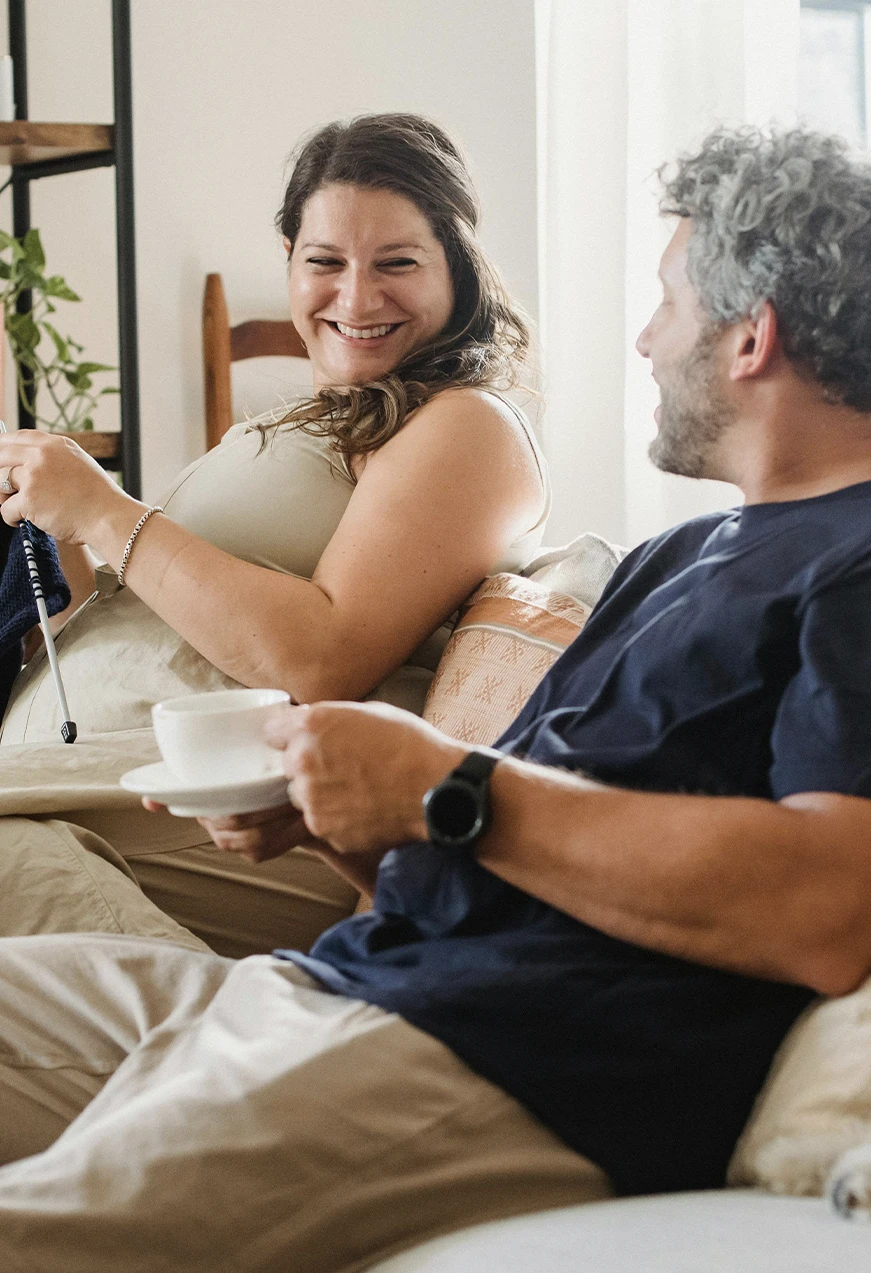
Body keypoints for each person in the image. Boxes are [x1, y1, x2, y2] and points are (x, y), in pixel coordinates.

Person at [0, 124, 871, 1273]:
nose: (646, 339)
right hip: (336, 981)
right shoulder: (685, 553)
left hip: (504, 1053)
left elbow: (828, 906)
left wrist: (445, 785)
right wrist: (347, 821)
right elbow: (490, 850)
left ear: (749, 334)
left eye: (667, 301)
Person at [0, 112, 548, 957]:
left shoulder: (466, 425)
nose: (356, 298)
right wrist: (60, 519)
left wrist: (108, 510)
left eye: (397, 262)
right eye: (324, 262)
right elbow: (160, 611)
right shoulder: (310, 417)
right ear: (289, 260)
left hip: (203, 827)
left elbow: (325, 656)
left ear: (460, 269)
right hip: (87, 793)